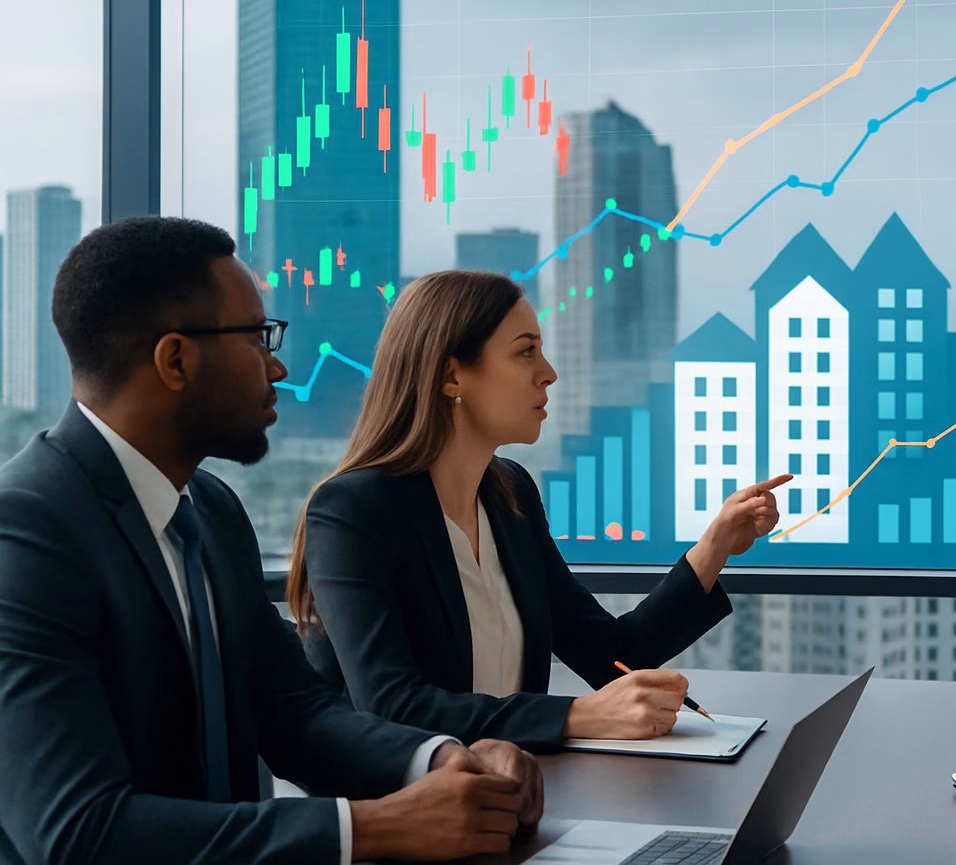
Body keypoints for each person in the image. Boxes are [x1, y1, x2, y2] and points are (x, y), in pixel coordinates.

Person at [0, 218, 544, 865]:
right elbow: (75, 831)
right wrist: (369, 829)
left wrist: (442, 759)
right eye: (258, 338)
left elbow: (295, 709)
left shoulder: (211, 509)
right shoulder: (26, 533)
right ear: (175, 359)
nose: (279, 365)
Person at [288, 269, 792, 749]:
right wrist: (579, 717)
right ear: (451, 376)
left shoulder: (510, 495)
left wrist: (716, 544)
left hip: (517, 795)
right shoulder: (352, 512)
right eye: (525, 352)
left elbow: (613, 657)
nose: (548, 374)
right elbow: (392, 707)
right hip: (398, 813)